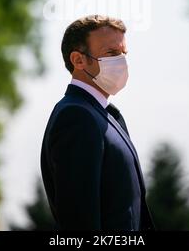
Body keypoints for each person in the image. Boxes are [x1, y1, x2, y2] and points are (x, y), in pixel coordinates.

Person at [40, 14, 155, 231]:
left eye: (123, 53)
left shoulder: (106, 114)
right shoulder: (76, 116)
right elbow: (79, 220)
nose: (121, 61)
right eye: (111, 53)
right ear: (78, 60)